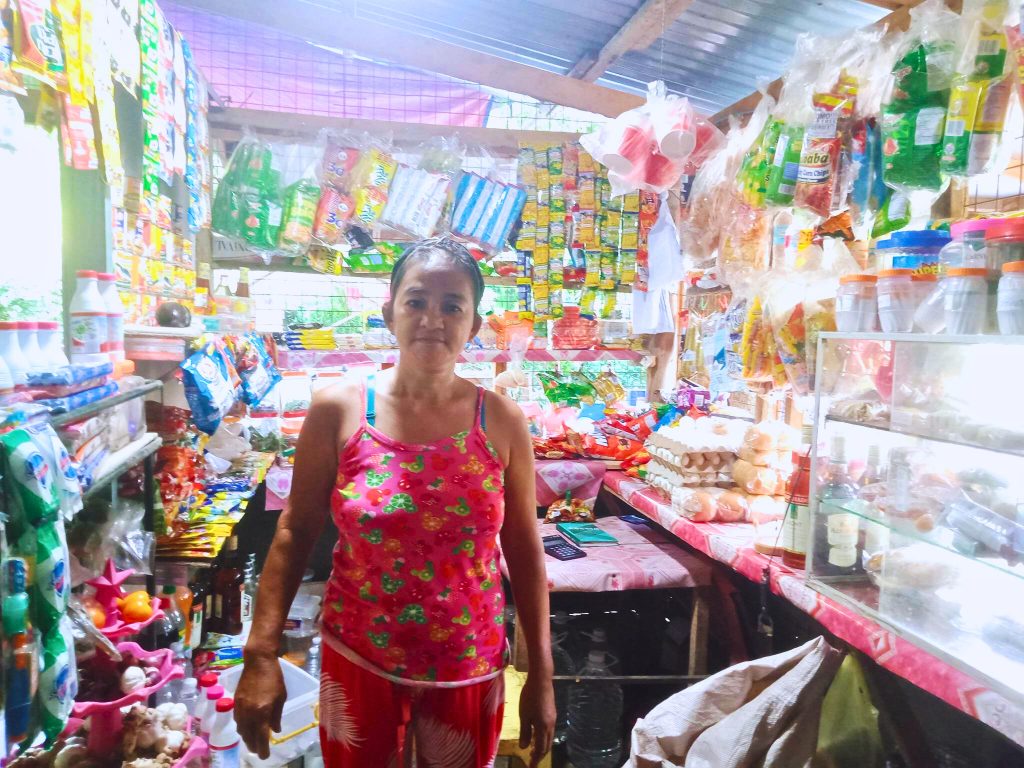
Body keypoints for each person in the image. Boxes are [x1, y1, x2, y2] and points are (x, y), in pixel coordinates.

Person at [235, 237, 555, 768]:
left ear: (474, 325)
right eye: (416, 301)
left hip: (467, 662)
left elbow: (523, 548)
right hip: (358, 656)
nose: (433, 319)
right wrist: (260, 653)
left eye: (452, 306)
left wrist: (542, 673)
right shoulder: (338, 410)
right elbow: (295, 531)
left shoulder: (501, 421)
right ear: (390, 313)